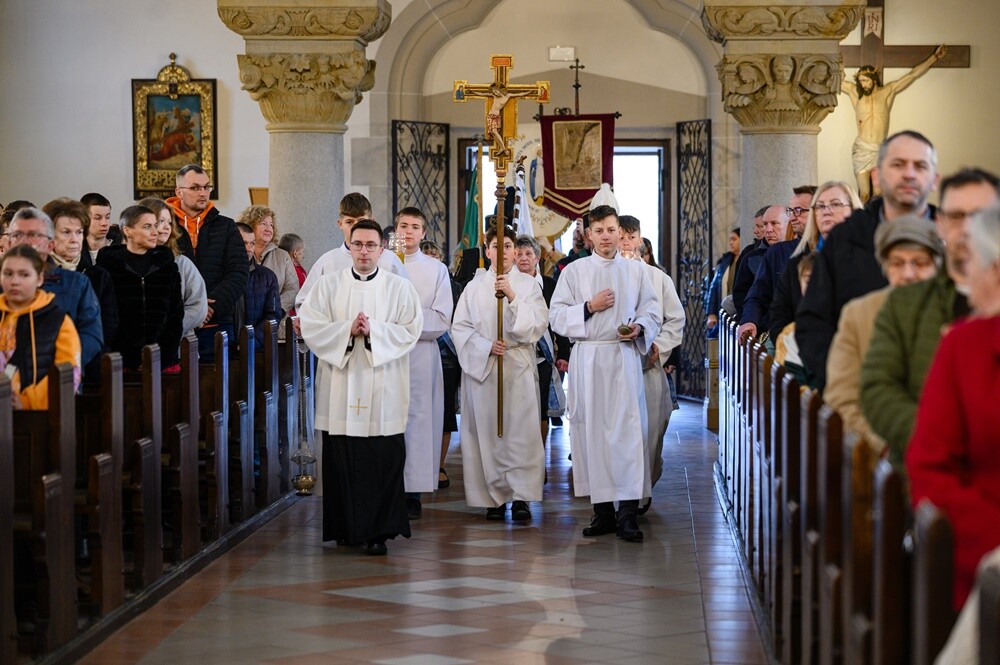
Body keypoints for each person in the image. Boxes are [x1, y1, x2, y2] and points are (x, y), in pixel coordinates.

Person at [298, 219, 422, 556]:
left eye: (371, 245)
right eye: (358, 245)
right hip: (341, 387)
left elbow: (411, 330)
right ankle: (344, 529)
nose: (364, 251)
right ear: (349, 246)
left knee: (383, 459)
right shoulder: (327, 286)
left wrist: (375, 332)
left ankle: (379, 532)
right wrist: (346, 331)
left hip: (384, 388)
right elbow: (311, 325)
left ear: (382, 249)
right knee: (342, 460)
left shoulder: (400, 288)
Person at [861, 167, 999, 465]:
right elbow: (878, 388)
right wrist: (937, 437)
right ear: (940, 224)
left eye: (981, 215)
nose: (967, 228)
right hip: (921, 469)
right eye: (957, 216)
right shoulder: (905, 303)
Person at [906, 206, 1000, 612]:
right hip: (988, 562)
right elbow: (929, 468)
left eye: (970, 263)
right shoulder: (963, 347)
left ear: (994, 269)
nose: (964, 277)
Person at [550, 205, 661, 542]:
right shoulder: (574, 271)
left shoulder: (636, 271)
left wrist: (639, 328)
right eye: (599, 231)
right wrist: (588, 307)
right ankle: (602, 512)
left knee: (627, 432)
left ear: (619, 231)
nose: (607, 236)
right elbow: (555, 316)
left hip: (622, 356)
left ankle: (628, 513)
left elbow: (652, 310)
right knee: (593, 432)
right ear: (588, 234)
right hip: (589, 358)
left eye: (612, 230)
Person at [797, 130, 940, 390]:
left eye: (920, 166)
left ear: (934, 179)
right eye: (898, 165)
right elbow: (814, 321)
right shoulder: (846, 238)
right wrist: (840, 385)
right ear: (877, 176)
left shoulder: (952, 236)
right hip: (858, 392)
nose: (909, 174)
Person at [452, 224, 548, 521]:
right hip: (485, 370)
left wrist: (512, 297)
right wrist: (483, 346)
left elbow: (537, 324)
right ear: (488, 251)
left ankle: (521, 498)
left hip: (517, 366)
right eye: (497, 247)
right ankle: (492, 497)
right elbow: (460, 328)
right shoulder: (474, 287)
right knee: (488, 435)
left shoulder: (529, 285)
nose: (504, 252)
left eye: (509, 246)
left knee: (520, 435)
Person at [824, 217, 944, 454]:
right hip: (879, 458)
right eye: (897, 263)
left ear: (937, 267)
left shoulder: (956, 311)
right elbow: (841, 399)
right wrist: (887, 446)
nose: (908, 274)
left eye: (920, 263)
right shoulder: (858, 314)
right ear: (885, 267)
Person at [620, 215, 685, 505]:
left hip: (648, 366)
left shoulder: (658, 278)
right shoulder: (605, 275)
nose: (626, 244)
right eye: (621, 237)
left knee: (650, 431)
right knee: (618, 432)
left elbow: (675, 318)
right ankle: (620, 492)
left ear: (640, 241)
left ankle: (643, 488)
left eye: (631, 238)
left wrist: (658, 345)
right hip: (614, 370)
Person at [394, 207, 453, 519]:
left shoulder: (435, 269)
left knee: (417, 420)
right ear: (394, 228)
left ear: (424, 233)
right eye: (403, 225)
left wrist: (406, 322)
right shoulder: (384, 263)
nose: (408, 232)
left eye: (415, 226)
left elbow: (443, 317)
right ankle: (388, 487)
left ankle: (413, 491)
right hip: (387, 354)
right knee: (388, 419)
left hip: (420, 352)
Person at [841, 46, 948, 202]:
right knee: (863, 195)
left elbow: (912, 75)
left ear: (873, 79)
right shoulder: (854, 93)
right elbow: (834, 79)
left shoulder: (887, 92)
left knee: (879, 194)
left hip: (879, 147)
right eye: (860, 81)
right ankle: (863, 225)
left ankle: (880, 224)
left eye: (865, 80)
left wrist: (934, 57)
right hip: (862, 149)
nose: (862, 84)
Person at [165, 164, 248, 361]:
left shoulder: (226, 226)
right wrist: (192, 310)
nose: (203, 193)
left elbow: (239, 271)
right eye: (195, 188)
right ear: (179, 192)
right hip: (176, 322)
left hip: (217, 323)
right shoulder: (165, 225)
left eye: (206, 187)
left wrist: (208, 308)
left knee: (218, 386)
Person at [7, 207, 103, 371]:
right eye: (17, 235)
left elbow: (92, 335)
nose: (25, 241)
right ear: (9, 243)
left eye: (33, 235)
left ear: (49, 244)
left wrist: (63, 363)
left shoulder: (76, 282)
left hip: (60, 376)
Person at [768, 182, 861, 343]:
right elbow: (779, 318)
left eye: (836, 204)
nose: (827, 211)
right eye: (820, 206)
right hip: (806, 357)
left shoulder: (868, 258)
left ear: (853, 210)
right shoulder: (796, 263)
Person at [97, 205, 184, 370]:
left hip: (161, 360)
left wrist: (162, 357)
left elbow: (175, 316)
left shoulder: (167, 266)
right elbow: (104, 317)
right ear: (127, 231)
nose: (155, 232)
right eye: (147, 227)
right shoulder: (108, 267)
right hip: (119, 362)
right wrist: (115, 356)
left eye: (155, 225)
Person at [42, 197, 119, 378]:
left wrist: (71, 363)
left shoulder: (97, 276)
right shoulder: (35, 275)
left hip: (85, 370)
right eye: (66, 232)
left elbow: (105, 328)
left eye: (78, 232)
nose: (74, 239)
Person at [0, 244, 81, 409]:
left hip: (37, 419)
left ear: (39, 279)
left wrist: (27, 401)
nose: (14, 281)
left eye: (24, 275)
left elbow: (68, 373)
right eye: (8, 274)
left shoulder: (58, 321)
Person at [296, 192, 406, 308]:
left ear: (372, 221)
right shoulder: (327, 262)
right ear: (340, 224)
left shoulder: (390, 260)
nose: (355, 227)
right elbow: (304, 304)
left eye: (361, 221)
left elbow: (405, 302)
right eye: (349, 222)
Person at [737, 188, 815, 344]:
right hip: (784, 338)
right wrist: (750, 320)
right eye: (792, 211)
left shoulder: (839, 249)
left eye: (798, 211)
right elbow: (757, 295)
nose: (793, 217)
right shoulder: (777, 252)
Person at [514, 234, 569, 449]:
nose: (523, 258)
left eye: (528, 254)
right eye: (518, 254)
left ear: (537, 258)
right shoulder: (509, 284)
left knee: (541, 406)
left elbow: (558, 321)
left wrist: (563, 354)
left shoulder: (550, 284)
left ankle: (539, 458)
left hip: (542, 356)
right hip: (517, 354)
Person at [138, 196, 208, 338]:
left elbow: (198, 307)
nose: (166, 227)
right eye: (161, 221)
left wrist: (167, 328)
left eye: (169, 222)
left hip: (178, 345)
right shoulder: (124, 262)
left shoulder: (182, 264)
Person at [237, 205, 298, 317]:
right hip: (244, 319)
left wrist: (274, 309)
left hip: (276, 321)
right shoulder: (238, 253)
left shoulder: (282, 255)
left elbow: (292, 288)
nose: (268, 229)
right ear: (250, 225)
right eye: (263, 223)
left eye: (271, 225)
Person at [733, 204, 787, 328]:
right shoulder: (751, 257)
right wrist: (754, 322)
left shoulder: (797, 252)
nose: (768, 230)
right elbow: (742, 295)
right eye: (765, 224)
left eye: (774, 223)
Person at [236, 223, 282, 351]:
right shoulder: (217, 274)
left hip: (255, 350)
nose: (249, 249)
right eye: (243, 243)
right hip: (221, 347)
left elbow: (273, 314)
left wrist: (251, 341)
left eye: (252, 243)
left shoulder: (267, 277)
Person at [705, 227, 740, 334]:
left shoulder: (747, 260)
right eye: (730, 239)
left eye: (734, 239)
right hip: (724, 309)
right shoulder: (725, 262)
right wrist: (711, 313)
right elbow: (714, 288)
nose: (730, 242)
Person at [81, 192, 115, 264]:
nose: (104, 223)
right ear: (84, 219)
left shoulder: (121, 249)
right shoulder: (75, 250)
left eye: (107, 217)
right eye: (97, 218)